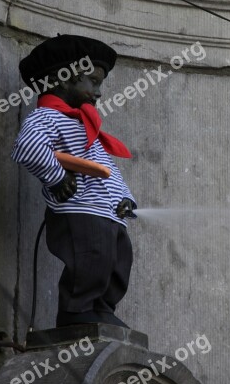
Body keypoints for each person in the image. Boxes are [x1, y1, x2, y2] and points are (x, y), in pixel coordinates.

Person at [11, 34, 137, 328]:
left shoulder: (82, 125)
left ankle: (103, 309)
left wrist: (124, 198)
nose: (99, 92)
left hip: (106, 213)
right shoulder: (47, 117)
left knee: (118, 260)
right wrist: (56, 177)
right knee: (91, 258)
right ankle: (76, 312)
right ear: (63, 80)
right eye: (93, 82)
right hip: (80, 210)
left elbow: (105, 168)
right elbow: (27, 147)